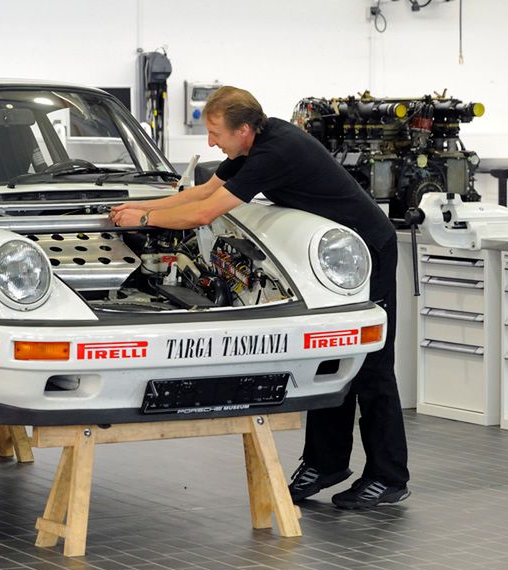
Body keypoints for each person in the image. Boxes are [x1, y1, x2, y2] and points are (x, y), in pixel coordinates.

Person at [110, 86, 409, 510]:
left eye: (215, 133)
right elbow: (201, 192)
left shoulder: (275, 153)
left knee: (372, 364)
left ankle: (388, 475)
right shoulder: (256, 145)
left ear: (245, 129)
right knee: (333, 358)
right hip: (332, 257)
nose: (211, 142)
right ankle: (326, 463)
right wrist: (135, 204)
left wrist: (144, 218)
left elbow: (203, 214)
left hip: (367, 252)